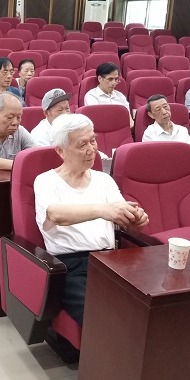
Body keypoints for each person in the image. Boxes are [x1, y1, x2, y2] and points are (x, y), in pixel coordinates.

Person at [34, 113, 148, 327]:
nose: (91, 149)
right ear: (61, 151)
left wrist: (135, 221)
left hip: (111, 259)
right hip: (71, 265)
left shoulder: (104, 180)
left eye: (93, 140)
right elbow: (55, 214)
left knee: (148, 307)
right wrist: (103, 210)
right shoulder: (46, 181)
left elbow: (122, 217)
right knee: (104, 320)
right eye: (82, 144)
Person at [83, 62, 133, 127]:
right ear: (100, 78)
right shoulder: (92, 96)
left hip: (122, 130)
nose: (114, 83)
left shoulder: (120, 96)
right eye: (110, 79)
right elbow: (96, 120)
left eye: (116, 79)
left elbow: (130, 121)